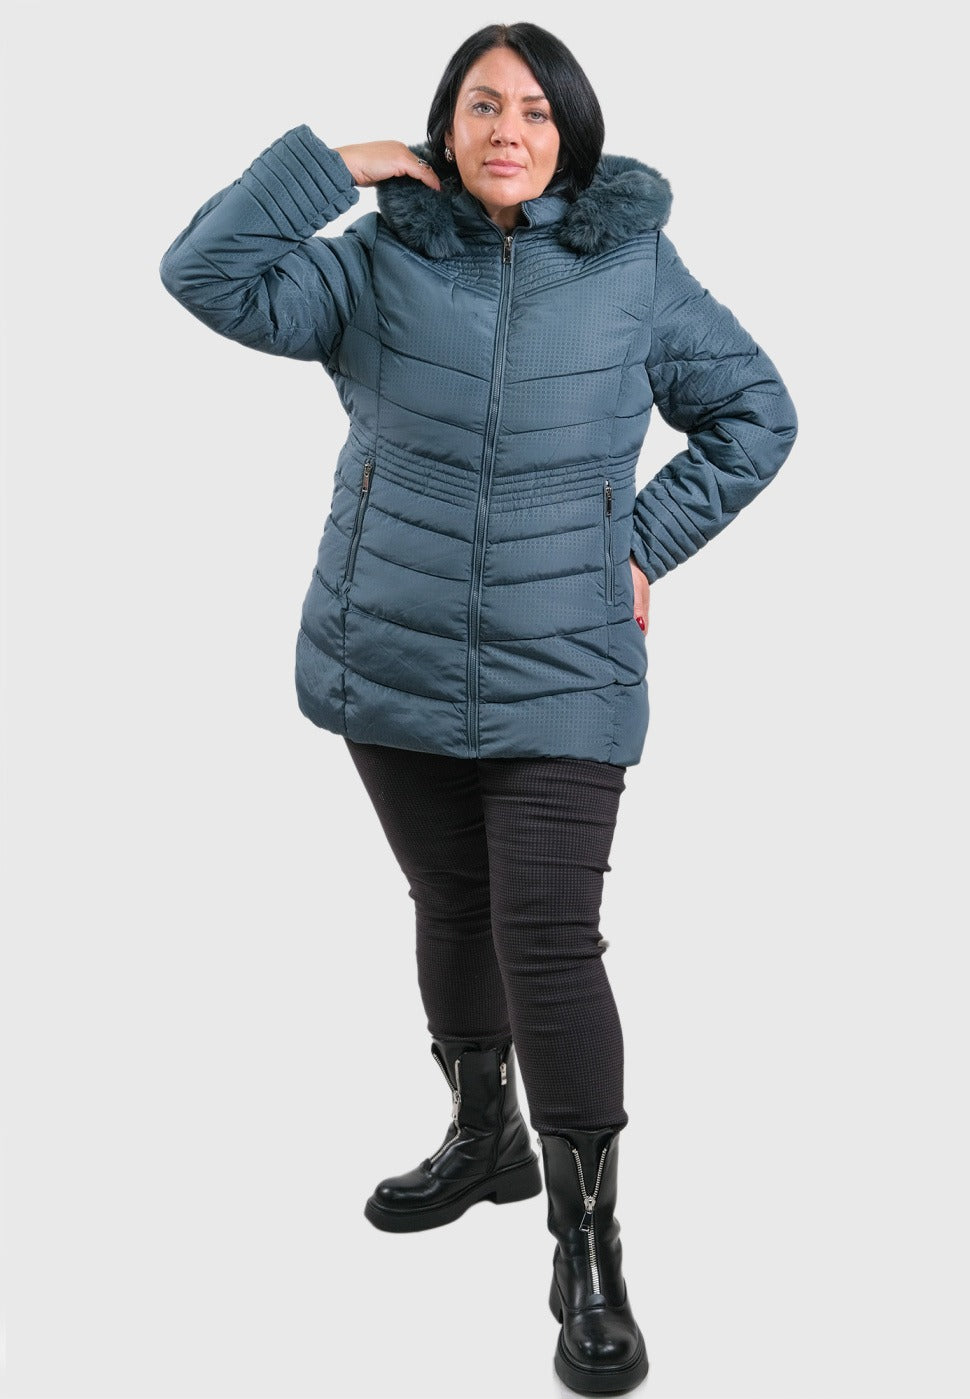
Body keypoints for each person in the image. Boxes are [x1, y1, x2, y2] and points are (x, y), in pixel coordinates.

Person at [160, 20, 797, 1395]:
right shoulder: (373, 260)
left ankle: (588, 1250)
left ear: (572, 133)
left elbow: (758, 414)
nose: (509, 129)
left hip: (564, 662)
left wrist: (640, 545)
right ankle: (483, 1135)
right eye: (482, 105)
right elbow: (203, 274)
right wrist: (333, 163)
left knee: (548, 940)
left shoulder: (633, 267)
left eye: (536, 110)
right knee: (451, 907)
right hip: (386, 650)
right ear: (444, 127)